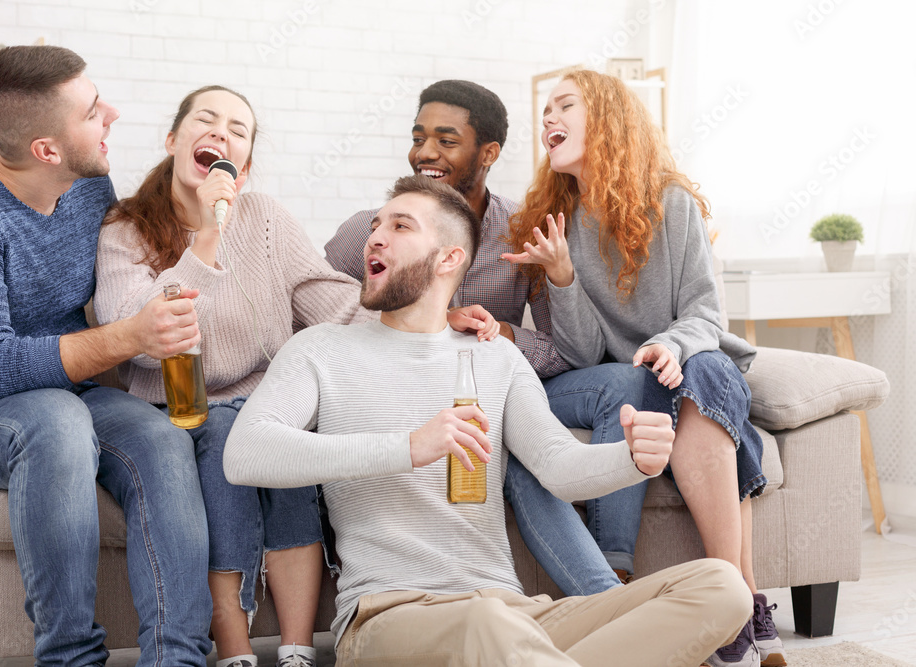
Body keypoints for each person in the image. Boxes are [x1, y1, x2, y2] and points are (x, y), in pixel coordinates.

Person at [224, 175, 753, 666]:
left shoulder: (494, 356)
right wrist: (409, 446)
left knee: (722, 587)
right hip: (388, 615)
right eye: (375, 226)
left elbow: (557, 464)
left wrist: (632, 459)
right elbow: (245, 453)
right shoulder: (320, 349)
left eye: (399, 226)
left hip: (511, 610)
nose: (375, 239)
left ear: (449, 258)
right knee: (487, 624)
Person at [93, 85, 496, 667]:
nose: (221, 133)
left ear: (246, 163)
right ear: (174, 139)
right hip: (181, 409)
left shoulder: (264, 220)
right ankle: (234, 651)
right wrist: (207, 233)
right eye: (206, 120)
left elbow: (327, 299)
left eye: (238, 130)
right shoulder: (124, 229)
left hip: (267, 402)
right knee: (230, 436)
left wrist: (425, 315)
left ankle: (297, 650)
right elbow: (138, 335)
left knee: (287, 442)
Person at [0, 46, 212, 664]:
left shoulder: (87, 184)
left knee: (161, 439)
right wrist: (131, 337)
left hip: (67, 385)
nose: (113, 114)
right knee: (56, 423)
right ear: (47, 149)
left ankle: (176, 658)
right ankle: (71, 657)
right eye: (93, 110)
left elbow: (132, 251)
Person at [503, 68, 785, 667]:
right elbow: (580, 357)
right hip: (623, 381)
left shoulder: (671, 203)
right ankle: (743, 600)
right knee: (652, 379)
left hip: (692, 362)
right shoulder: (556, 222)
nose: (549, 118)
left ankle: (732, 594)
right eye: (545, 110)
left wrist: (672, 345)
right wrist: (562, 278)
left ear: (606, 118)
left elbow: (706, 313)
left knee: (704, 369)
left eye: (565, 106)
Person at [325, 79, 642, 596]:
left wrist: (505, 333)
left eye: (446, 141)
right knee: (506, 445)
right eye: (419, 136)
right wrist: (422, 325)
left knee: (617, 384)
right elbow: (315, 313)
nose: (425, 152)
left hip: (492, 390)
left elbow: (569, 352)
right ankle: (606, 598)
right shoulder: (370, 232)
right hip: (407, 398)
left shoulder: (522, 229)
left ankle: (615, 571)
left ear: (488, 153)